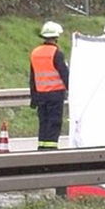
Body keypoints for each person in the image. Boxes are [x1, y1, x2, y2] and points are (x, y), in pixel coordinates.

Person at [28, 21, 69, 152]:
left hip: (40, 94)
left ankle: (42, 146)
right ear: (56, 37)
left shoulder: (35, 53)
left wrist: (33, 97)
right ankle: (51, 148)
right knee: (54, 121)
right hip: (55, 94)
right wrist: (72, 90)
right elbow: (64, 74)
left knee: (43, 121)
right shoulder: (57, 53)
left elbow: (32, 77)